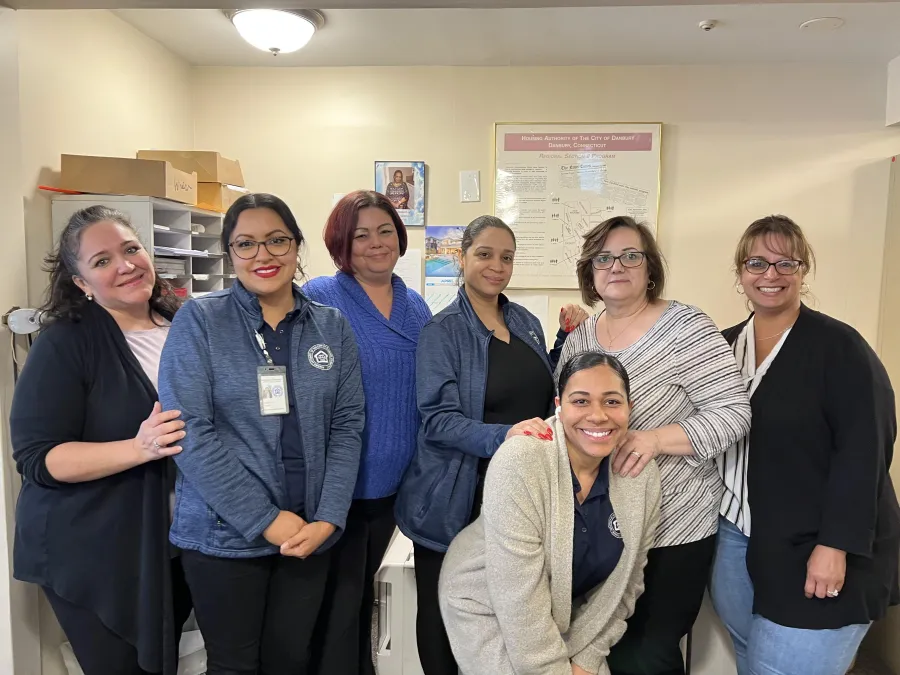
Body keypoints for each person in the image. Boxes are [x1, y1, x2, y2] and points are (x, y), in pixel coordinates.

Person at [158, 193, 365, 675]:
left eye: (276, 241)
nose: (263, 256)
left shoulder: (330, 326)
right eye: (245, 244)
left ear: (296, 245)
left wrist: (329, 518)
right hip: (224, 537)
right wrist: (266, 519)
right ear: (230, 255)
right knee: (234, 666)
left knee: (291, 660)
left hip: (309, 533)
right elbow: (190, 432)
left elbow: (348, 425)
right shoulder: (201, 321)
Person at [556, 215, 751, 675]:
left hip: (673, 526)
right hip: (600, 528)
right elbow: (566, 415)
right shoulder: (580, 339)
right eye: (603, 257)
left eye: (630, 255)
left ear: (649, 268)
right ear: (590, 272)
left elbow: (734, 412)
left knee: (645, 653)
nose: (616, 266)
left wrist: (656, 439)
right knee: (595, 648)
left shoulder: (685, 326)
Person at [394, 215, 587, 675]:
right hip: (454, 498)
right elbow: (438, 420)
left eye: (507, 257)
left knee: (507, 615)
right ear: (462, 258)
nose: (496, 266)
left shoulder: (522, 320)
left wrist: (564, 339)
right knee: (446, 616)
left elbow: (539, 388)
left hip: (518, 496)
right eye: (484, 254)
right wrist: (506, 435)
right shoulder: (442, 331)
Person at [710, 215, 900, 675]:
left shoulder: (839, 347)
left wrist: (836, 545)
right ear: (740, 272)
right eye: (757, 263)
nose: (769, 275)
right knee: (752, 660)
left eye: (784, 264)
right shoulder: (723, 346)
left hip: (819, 544)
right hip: (737, 536)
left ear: (802, 270)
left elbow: (865, 451)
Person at [9, 205, 192, 675]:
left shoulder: (185, 327)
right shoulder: (65, 343)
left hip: (169, 540)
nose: (126, 264)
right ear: (82, 284)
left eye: (131, 249)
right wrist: (139, 448)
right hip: (94, 550)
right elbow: (37, 457)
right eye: (102, 260)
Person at [439, 352, 661, 675]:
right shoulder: (522, 461)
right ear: (559, 404)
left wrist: (587, 659)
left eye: (612, 402)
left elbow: (627, 586)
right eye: (581, 401)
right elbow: (519, 605)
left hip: (563, 614)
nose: (598, 416)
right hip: (488, 607)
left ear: (630, 408)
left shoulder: (640, 474)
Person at [302, 190, 432, 675]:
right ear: (342, 243)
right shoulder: (319, 297)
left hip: (394, 489)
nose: (376, 243)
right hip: (337, 490)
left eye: (385, 231)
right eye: (361, 235)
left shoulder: (414, 304)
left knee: (364, 606)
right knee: (335, 610)